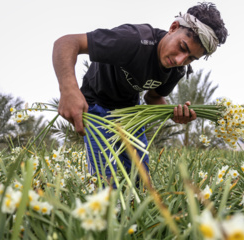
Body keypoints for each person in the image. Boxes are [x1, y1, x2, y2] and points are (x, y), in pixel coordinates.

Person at [52, 2, 228, 186]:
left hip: (130, 113)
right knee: (103, 182)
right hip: (96, 107)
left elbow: (152, 97)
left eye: (191, 58)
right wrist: (68, 89)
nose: (180, 60)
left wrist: (173, 113)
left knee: (142, 181)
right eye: (182, 47)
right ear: (173, 28)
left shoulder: (177, 70)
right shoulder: (134, 40)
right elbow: (66, 43)